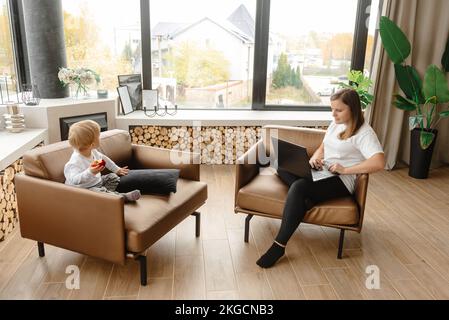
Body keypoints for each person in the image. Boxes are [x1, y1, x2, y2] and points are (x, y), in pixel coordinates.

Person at [256, 88, 385, 268]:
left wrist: (346, 169)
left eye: (338, 110)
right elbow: (323, 147)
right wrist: (315, 158)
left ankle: (279, 245)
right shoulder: (335, 124)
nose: (333, 114)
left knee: (299, 186)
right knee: (278, 161)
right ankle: (306, 201)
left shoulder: (364, 133)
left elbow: (379, 162)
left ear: (353, 109)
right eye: (332, 109)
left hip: (340, 180)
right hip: (322, 170)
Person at [64, 120, 141, 202]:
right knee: (96, 192)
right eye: (98, 136)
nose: (100, 138)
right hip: (85, 190)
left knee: (113, 177)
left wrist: (116, 169)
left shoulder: (93, 151)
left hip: (97, 182)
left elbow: (104, 159)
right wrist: (90, 172)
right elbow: (74, 180)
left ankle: (106, 194)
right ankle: (122, 197)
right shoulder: (75, 162)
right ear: (92, 144)